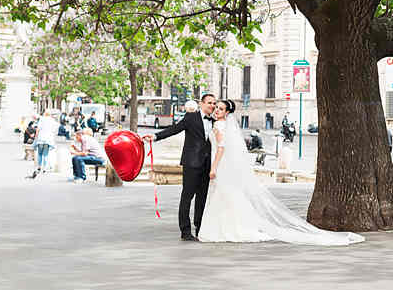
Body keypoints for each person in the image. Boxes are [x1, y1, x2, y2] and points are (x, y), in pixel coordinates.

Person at [197, 99, 363, 245]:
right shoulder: (224, 125)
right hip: (226, 166)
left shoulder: (219, 125)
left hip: (221, 165)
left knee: (224, 195)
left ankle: (227, 228)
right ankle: (234, 225)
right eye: (216, 107)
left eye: (220, 108)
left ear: (227, 113)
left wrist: (213, 168)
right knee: (228, 196)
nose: (216, 110)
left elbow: (221, 148)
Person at [142, 94, 215, 241]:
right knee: (187, 197)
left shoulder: (215, 121)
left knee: (202, 198)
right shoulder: (191, 118)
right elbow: (175, 129)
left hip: (207, 166)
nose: (212, 106)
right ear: (201, 104)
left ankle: (200, 228)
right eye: (209, 103)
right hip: (191, 163)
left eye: (214, 103)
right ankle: (185, 231)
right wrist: (155, 137)